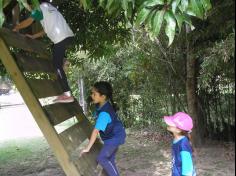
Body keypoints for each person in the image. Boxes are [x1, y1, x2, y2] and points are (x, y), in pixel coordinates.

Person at [13, 0, 75, 103]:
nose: (29, 8)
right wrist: (33, 36)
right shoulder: (49, 7)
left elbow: (29, 21)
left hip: (60, 38)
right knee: (57, 58)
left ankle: (67, 94)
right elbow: (46, 30)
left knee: (56, 65)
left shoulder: (39, 8)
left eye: (29, 5)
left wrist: (16, 27)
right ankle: (64, 60)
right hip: (67, 36)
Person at [81, 81, 126, 176]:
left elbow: (95, 131)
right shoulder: (103, 105)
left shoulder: (104, 113)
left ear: (103, 96)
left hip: (114, 137)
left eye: (94, 94)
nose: (92, 96)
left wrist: (87, 148)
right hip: (116, 135)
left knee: (101, 158)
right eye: (91, 93)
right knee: (110, 159)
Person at [163, 112, 196, 176]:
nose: (168, 124)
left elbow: (187, 170)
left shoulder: (183, 144)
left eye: (171, 123)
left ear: (178, 130)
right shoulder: (176, 140)